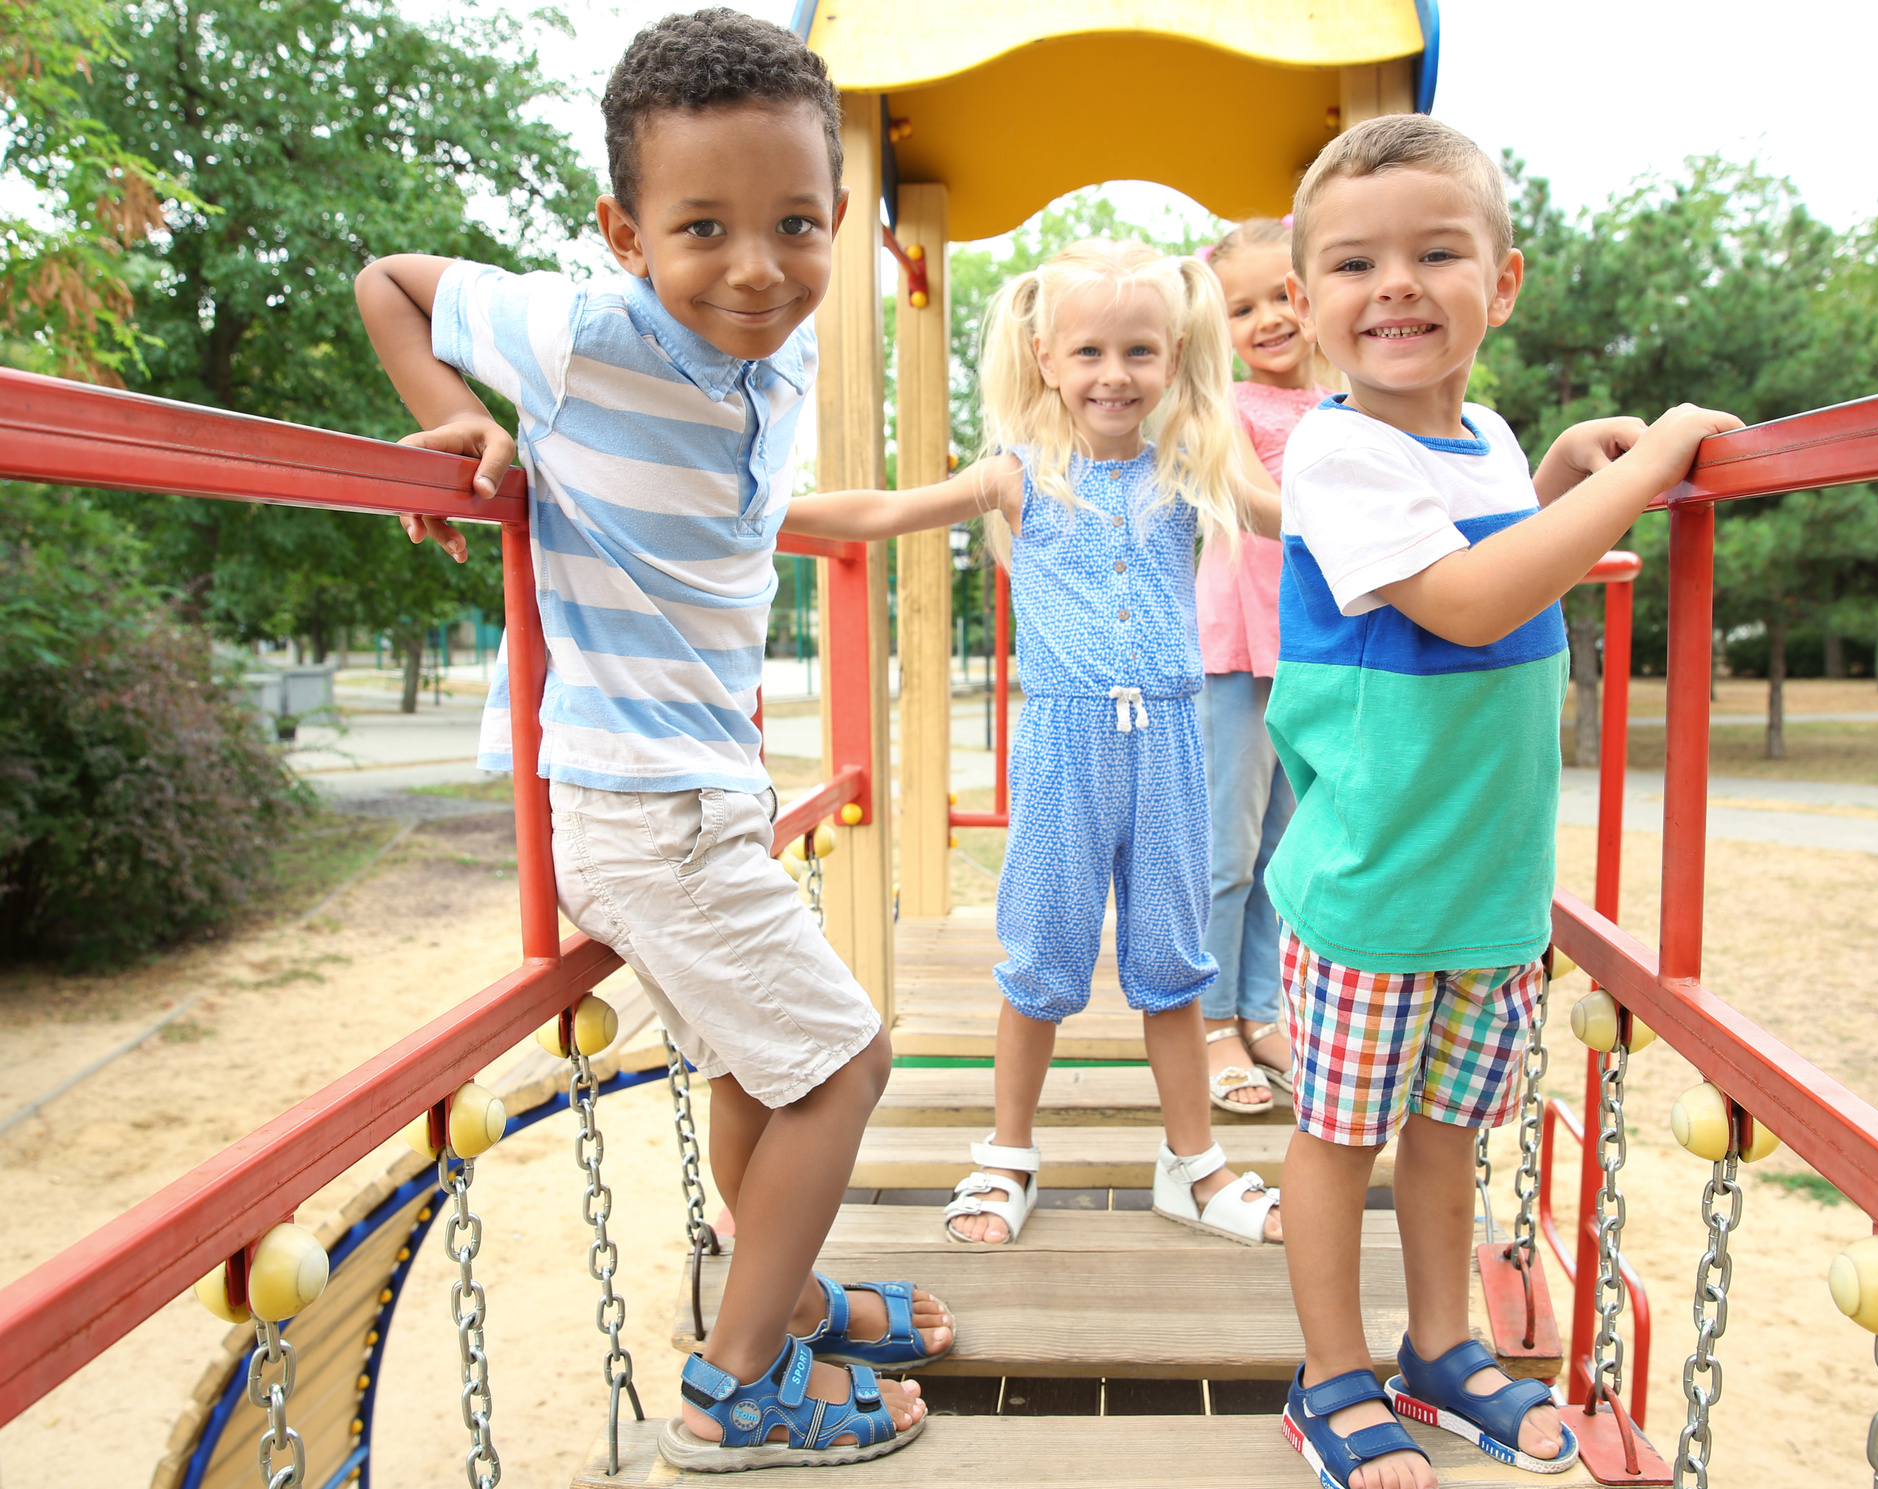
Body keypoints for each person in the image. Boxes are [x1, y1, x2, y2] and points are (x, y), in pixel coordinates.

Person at [352, 9, 951, 1472]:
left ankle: (786, 1294)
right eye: (702, 229)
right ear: (625, 233)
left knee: (764, 1068)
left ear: (837, 221)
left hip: (706, 788)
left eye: (797, 225)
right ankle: (734, 1385)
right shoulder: (581, 329)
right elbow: (387, 279)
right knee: (842, 1061)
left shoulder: (786, 350)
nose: (756, 268)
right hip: (636, 797)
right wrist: (453, 420)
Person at [1267, 115, 1741, 1489]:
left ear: (1504, 281)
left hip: (1484, 877)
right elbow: (1469, 605)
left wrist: (1540, 483)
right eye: (1353, 264)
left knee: (1446, 1129)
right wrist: (1651, 467)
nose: (1395, 285)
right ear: (1305, 305)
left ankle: (1437, 1343)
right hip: (1374, 876)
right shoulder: (1334, 448)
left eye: (1435, 252)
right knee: (1340, 1137)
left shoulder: (1480, 431)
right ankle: (1331, 1374)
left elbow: (1483, 546)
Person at [784, 238, 1288, 1248]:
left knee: (1174, 962)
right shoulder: (1018, 476)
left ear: (1174, 351)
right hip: (1063, 747)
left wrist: (1446, 520)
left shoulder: (1187, 467)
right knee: (1042, 958)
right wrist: (754, 515)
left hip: (1169, 748)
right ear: (1044, 355)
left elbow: (1294, 519)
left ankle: (1193, 1166)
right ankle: (1007, 1151)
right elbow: (883, 511)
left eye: (1139, 352)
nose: (1114, 375)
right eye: (1089, 351)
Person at [1194, 218, 1330, 1116]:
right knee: (1227, 849)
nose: (1269, 318)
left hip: (1311, 645)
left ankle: (1260, 1004)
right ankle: (1209, 1021)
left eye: (1283, 293)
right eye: (1242, 308)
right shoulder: (1226, 408)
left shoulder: (1342, 407)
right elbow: (1250, 501)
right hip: (1238, 644)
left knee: (1287, 846)